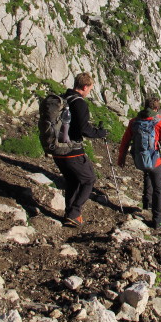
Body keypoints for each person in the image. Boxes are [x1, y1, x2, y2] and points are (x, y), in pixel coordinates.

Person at [53, 72, 108, 227]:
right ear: (85, 87)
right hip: (72, 150)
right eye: (90, 88)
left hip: (57, 149)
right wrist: (100, 133)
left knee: (73, 181)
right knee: (89, 179)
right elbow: (84, 129)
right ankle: (74, 212)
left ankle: (70, 213)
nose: (90, 91)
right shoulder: (79, 103)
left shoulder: (64, 99)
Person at [117, 96, 161, 229]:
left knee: (147, 174)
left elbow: (125, 141)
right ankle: (158, 220)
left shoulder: (134, 121)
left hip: (139, 159)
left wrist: (121, 159)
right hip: (155, 161)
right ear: (156, 108)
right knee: (158, 189)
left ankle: (146, 204)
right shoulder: (160, 123)